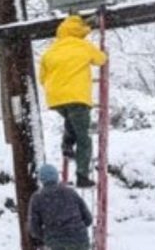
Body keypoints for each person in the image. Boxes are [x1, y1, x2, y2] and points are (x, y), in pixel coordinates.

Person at [39, 14, 107, 188]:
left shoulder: (51, 50)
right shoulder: (83, 46)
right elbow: (101, 60)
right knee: (84, 138)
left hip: (55, 99)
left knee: (71, 120)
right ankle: (82, 176)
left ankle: (67, 146)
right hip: (77, 97)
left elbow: (42, 78)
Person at [29, 163, 93, 250]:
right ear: (56, 177)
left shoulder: (37, 198)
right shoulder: (71, 192)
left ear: (41, 180)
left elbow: (34, 228)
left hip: (57, 244)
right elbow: (88, 219)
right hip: (80, 242)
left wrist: (47, 236)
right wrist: (76, 229)